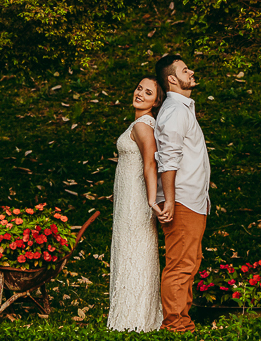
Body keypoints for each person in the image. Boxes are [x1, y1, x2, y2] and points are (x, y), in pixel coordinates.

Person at [154, 54, 211, 333]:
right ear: (172, 79)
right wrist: (171, 200)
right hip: (182, 200)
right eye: (184, 70)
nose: (191, 72)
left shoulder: (182, 108)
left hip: (192, 200)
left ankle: (183, 319)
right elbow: (168, 158)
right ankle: (176, 325)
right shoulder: (175, 111)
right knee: (180, 264)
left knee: (190, 261)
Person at [107, 76, 165, 331]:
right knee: (130, 249)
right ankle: (132, 315)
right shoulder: (139, 123)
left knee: (135, 250)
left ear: (156, 101)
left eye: (148, 92)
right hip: (127, 196)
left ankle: (136, 318)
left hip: (137, 200)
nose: (140, 93)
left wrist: (152, 200)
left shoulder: (144, 125)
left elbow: (151, 162)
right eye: (139, 88)